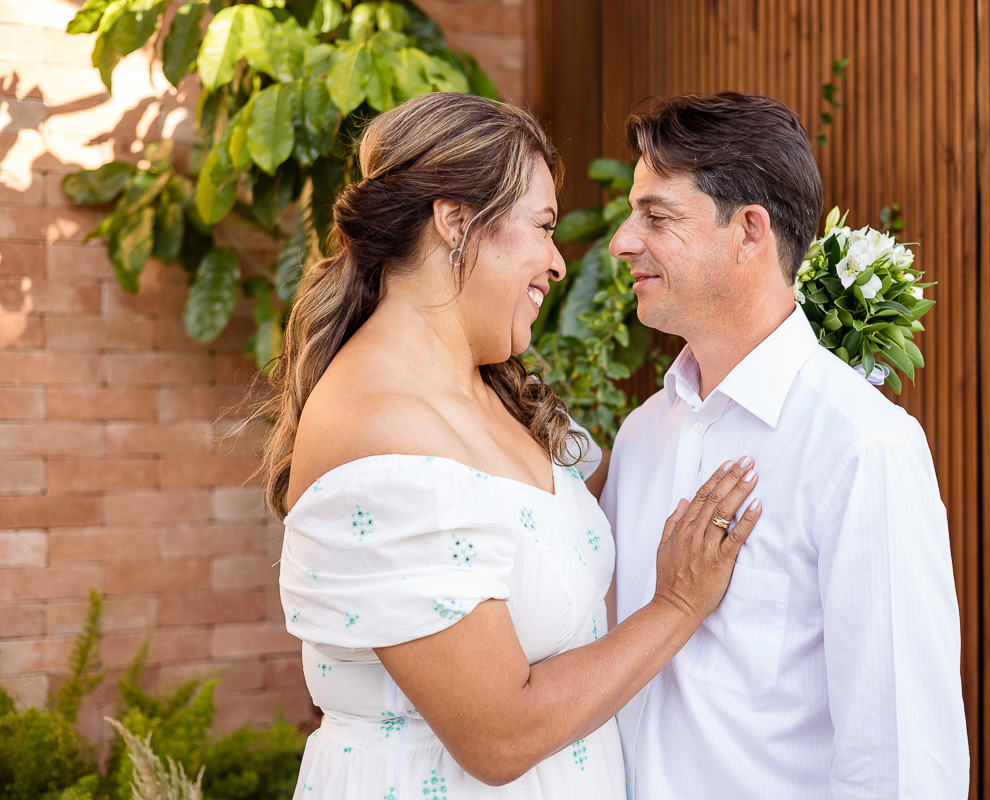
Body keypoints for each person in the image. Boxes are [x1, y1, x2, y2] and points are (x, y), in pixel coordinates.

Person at [260, 92, 763, 800]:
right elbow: (499, 736)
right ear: (456, 222)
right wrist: (677, 606)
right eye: (543, 226)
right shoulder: (379, 431)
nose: (558, 265)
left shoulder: (490, 391)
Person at [601, 92, 971, 798]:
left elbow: (903, 758)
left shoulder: (862, 446)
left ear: (748, 231)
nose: (622, 240)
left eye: (656, 216)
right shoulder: (642, 434)